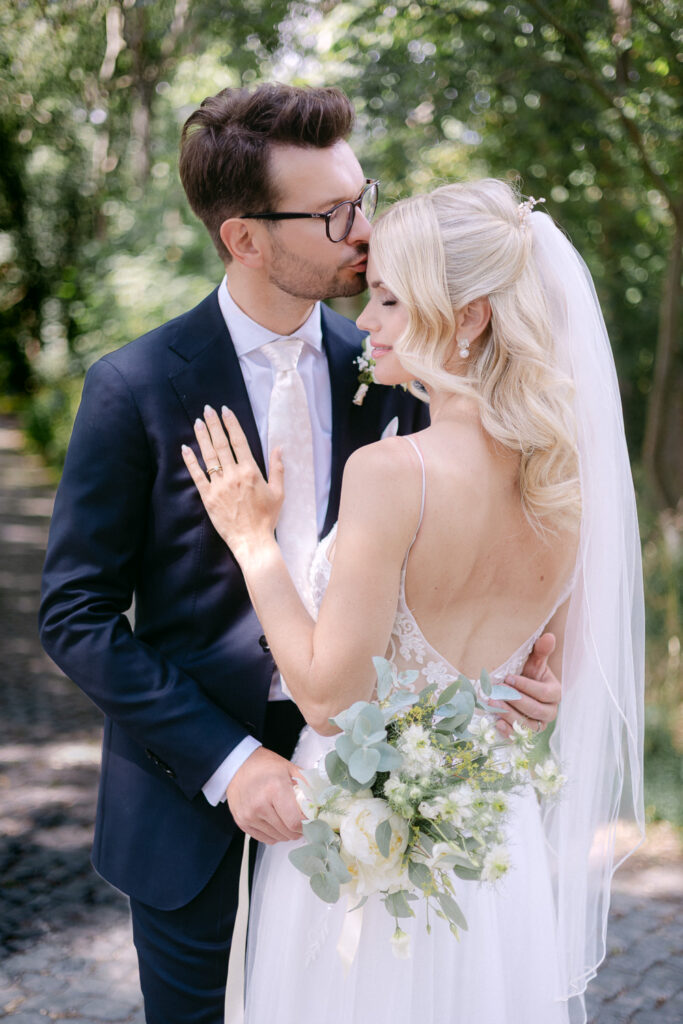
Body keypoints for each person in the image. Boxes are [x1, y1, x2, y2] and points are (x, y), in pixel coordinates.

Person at [39, 85, 562, 1024]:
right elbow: (74, 614)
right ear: (244, 238)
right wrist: (230, 761)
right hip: (188, 784)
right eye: (333, 215)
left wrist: (514, 678)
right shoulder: (135, 385)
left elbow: (460, 562)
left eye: (362, 197)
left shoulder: (400, 362)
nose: (364, 233)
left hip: (387, 781)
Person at [184, 179, 644, 1024]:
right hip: (487, 847)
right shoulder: (567, 483)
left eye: (392, 300)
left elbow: (327, 700)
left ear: (466, 318)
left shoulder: (395, 474)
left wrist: (253, 542)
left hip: (358, 857)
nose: (367, 322)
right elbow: (547, 681)